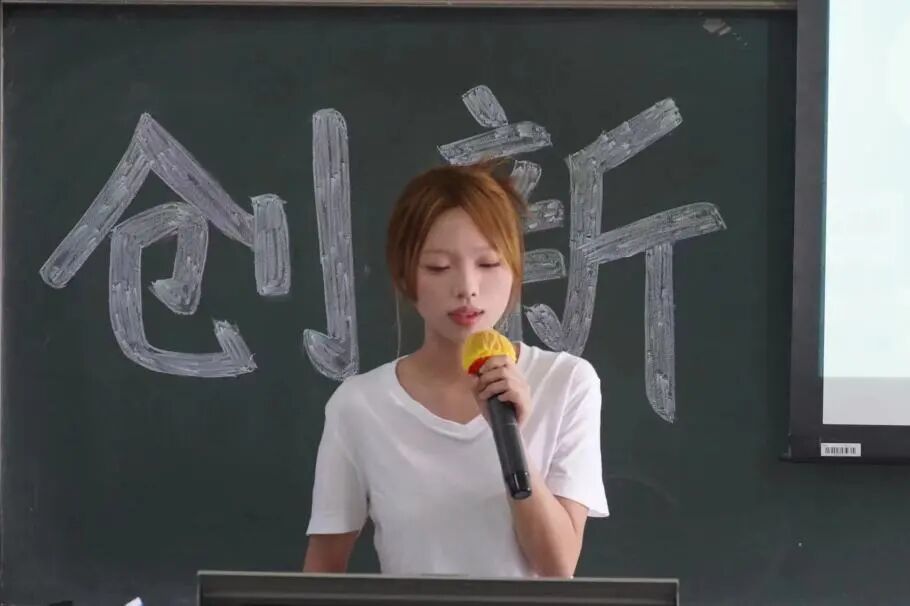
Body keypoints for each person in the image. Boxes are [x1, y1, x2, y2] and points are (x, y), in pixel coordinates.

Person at [303, 161, 608, 578]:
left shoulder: (567, 382)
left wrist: (511, 437)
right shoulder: (359, 406)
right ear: (406, 276)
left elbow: (558, 567)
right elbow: (322, 570)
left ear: (515, 268)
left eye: (488, 264)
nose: (467, 287)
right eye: (438, 268)